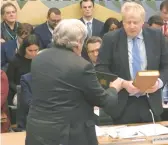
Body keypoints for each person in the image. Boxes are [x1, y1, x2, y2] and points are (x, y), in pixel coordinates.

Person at [25, 19, 123, 145]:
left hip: (37, 131)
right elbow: (104, 101)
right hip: (68, 135)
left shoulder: (38, 58)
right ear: (78, 43)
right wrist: (114, 88)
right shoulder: (82, 66)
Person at [97, 2, 168, 124]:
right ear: (122, 21)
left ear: (143, 22)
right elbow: (101, 70)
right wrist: (123, 83)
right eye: (128, 22)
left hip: (150, 102)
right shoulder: (110, 39)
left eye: (135, 22)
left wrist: (158, 83)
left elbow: (166, 65)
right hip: (122, 104)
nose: (131, 26)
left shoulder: (156, 36)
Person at [6, 34, 40, 105]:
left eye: (36, 50)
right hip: (19, 92)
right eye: (30, 50)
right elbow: (9, 81)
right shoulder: (15, 61)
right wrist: (20, 90)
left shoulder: (41, 60)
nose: (33, 53)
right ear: (24, 49)